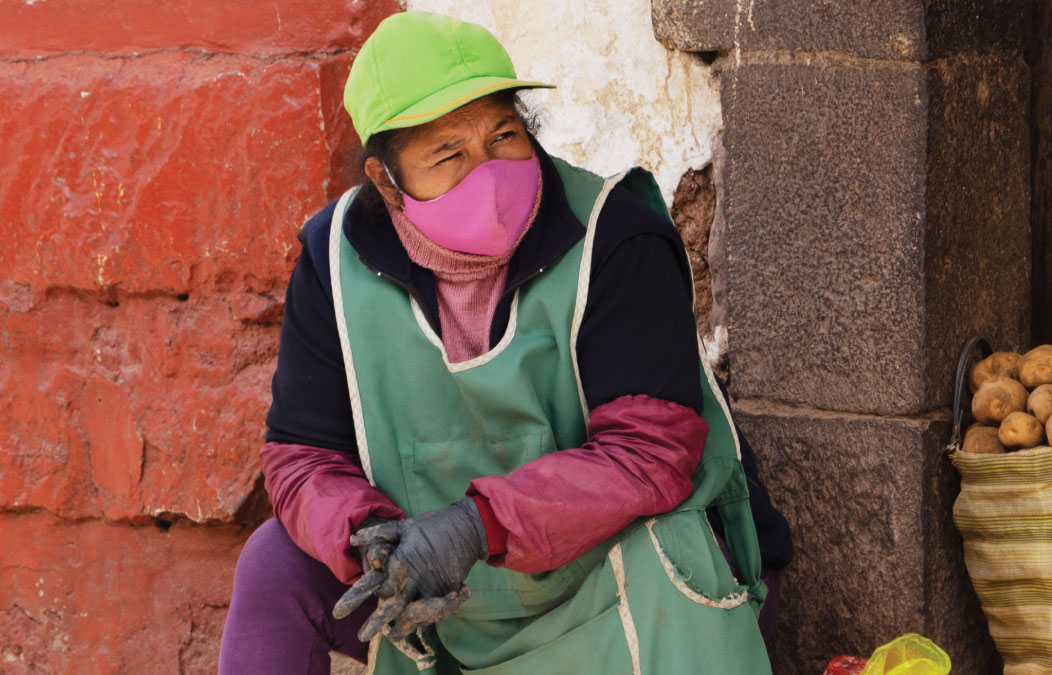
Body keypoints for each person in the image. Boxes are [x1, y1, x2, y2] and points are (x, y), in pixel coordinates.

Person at [218, 11, 790, 675]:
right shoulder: (333, 259)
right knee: (274, 560)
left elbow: (650, 453)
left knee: (668, 536)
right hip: (458, 596)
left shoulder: (614, 236)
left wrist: (474, 526)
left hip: (621, 581)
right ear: (385, 181)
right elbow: (302, 456)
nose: (488, 173)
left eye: (504, 134)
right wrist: (372, 542)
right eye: (447, 155)